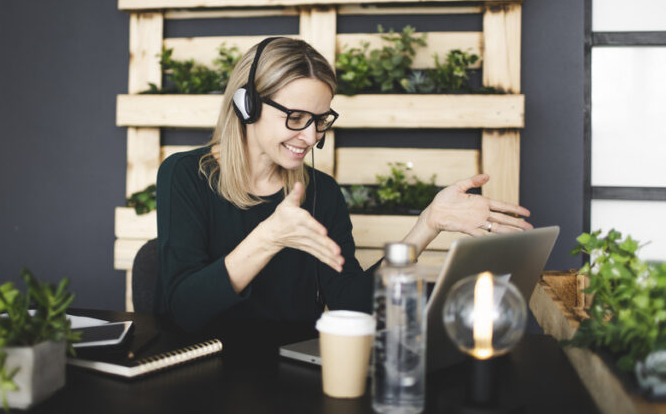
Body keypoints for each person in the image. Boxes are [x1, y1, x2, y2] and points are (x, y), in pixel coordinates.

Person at [157, 37, 532, 333]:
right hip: (204, 374)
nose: (309, 136)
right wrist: (268, 237)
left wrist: (427, 225)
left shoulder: (321, 191)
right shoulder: (186, 175)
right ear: (247, 105)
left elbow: (352, 304)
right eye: (296, 117)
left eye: (320, 120)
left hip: (295, 381)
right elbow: (184, 312)